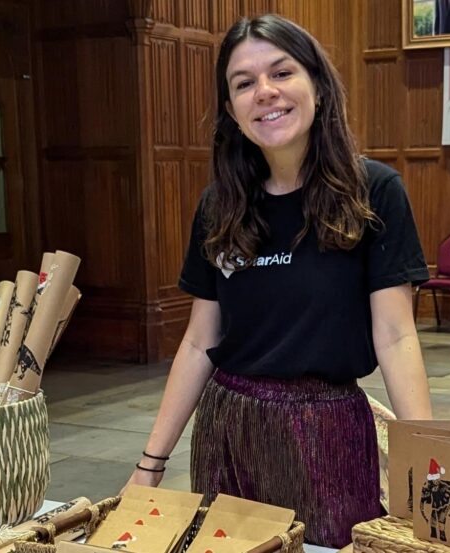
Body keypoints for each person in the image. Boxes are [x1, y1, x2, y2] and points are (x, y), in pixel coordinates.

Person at [124, 14, 433, 548]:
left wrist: (428, 461)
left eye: (282, 72)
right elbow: (199, 341)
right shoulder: (220, 205)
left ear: (317, 85)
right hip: (229, 428)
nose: (265, 91)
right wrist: (149, 466)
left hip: (328, 431)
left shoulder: (374, 192)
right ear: (231, 109)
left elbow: (396, 335)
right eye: (244, 83)